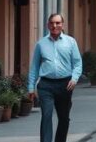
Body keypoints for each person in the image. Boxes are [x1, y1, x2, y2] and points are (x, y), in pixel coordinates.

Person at [27, 13, 82, 142]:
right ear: (48, 25)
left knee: (64, 118)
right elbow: (34, 67)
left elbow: (77, 63)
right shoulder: (41, 44)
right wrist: (30, 87)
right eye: (52, 23)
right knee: (46, 115)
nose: (54, 26)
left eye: (57, 23)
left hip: (65, 85)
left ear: (62, 25)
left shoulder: (70, 42)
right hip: (46, 85)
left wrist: (74, 79)